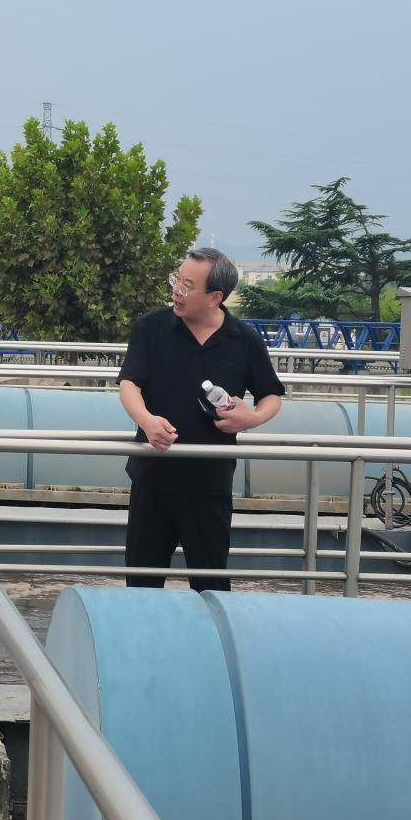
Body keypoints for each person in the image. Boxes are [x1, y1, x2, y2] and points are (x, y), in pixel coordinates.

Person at [117, 247, 284, 593]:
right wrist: (147, 421)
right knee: (142, 585)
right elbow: (129, 384)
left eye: (188, 285)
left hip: (210, 483)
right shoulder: (151, 327)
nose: (177, 290)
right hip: (153, 478)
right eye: (177, 280)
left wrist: (250, 418)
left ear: (215, 297)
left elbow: (271, 395)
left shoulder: (243, 339)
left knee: (211, 586)